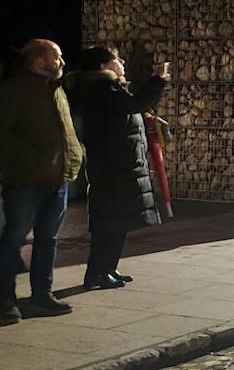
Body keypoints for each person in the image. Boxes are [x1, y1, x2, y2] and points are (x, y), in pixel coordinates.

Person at [69, 47, 169, 290]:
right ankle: (98, 273)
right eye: (117, 59)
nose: (122, 62)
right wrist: (158, 81)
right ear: (104, 65)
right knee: (109, 223)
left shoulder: (111, 88)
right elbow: (135, 104)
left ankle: (107, 269)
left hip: (121, 165)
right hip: (112, 167)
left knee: (119, 222)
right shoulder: (102, 89)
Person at [0, 40, 82, 323]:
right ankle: (4, 302)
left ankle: (41, 296)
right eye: (57, 57)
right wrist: (31, 160)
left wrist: (75, 155)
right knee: (12, 240)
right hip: (26, 181)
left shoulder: (55, 90)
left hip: (58, 178)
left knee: (48, 240)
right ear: (39, 62)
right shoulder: (14, 90)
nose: (62, 62)